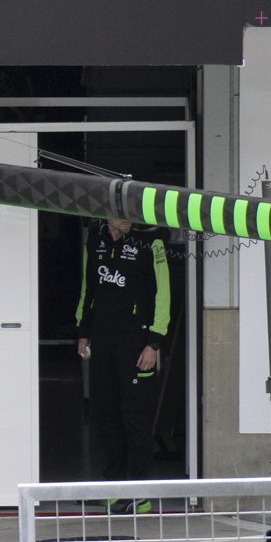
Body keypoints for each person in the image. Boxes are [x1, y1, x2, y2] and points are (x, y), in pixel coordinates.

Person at [76, 217, 172, 510]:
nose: (128, 218)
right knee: (105, 414)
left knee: (136, 417)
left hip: (137, 343)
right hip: (102, 341)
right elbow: (88, 288)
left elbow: (163, 293)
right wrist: (83, 332)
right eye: (120, 212)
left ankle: (138, 493)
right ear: (107, 214)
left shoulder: (152, 241)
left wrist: (154, 342)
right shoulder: (94, 239)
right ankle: (115, 486)